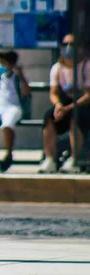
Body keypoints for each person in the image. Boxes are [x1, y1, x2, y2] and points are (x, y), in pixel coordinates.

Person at [38, 34, 90, 173]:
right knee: (49, 116)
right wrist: (58, 105)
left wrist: (68, 108)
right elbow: (53, 92)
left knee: (75, 117)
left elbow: (88, 95)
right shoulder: (57, 67)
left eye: (72, 45)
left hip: (82, 104)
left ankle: (75, 159)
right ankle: (50, 158)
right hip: (66, 104)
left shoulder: (86, 66)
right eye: (65, 44)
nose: (68, 48)